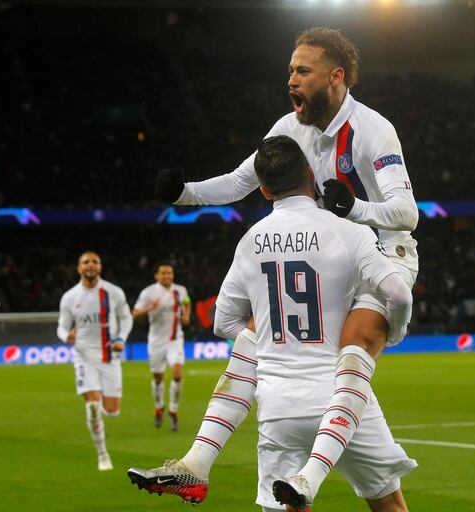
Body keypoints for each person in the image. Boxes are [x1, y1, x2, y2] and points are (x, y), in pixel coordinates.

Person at [143, 26, 419, 504]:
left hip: (377, 255)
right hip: (318, 253)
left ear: (335, 77)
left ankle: (305, 474)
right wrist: (184, 194)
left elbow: (406, 213)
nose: (290, 79)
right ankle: (196, 463)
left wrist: (355, 210)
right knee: (255, 333)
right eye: (289, 69)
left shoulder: (374, 130)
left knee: (353, 343)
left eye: (302, 71)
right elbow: (239, 181)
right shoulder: (287, 127)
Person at [57, 251, 132, 471]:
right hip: (83, 356)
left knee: (112, 410)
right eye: (86, 262)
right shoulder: (70, 297)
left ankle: (100, 411)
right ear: (79, 268)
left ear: (100, 266)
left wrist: (121, 338)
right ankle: (102, 454)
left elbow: (126, 317)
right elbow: (62, 326)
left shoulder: (113, 292)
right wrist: (66, 336)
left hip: (109, 356)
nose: (91, 265)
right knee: (92, 405)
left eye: (95, 262)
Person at [132, 262, 191, 431]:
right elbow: (134, 313)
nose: (167, 276)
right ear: (156, 276)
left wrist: (186, 315)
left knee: (178, 374)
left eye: (169, 273)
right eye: (163, 273)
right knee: (158, 378)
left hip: (175, 339)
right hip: (156, 341)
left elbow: (187, 302)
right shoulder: (149, 293)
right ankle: (159, 407)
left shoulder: (180, 290)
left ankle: (173, 410)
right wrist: (149, 308)